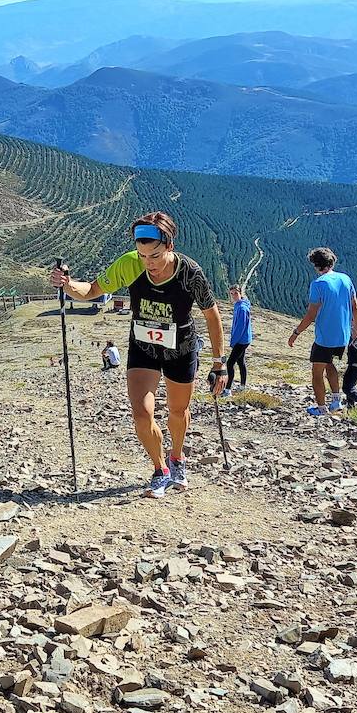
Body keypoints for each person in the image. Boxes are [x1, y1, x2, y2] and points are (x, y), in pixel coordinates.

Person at [52, 211, 227, 499]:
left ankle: (178, 457)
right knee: (141, 414)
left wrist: (219, 363)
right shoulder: (130, 264)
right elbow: (93, 290)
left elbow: (212, 314)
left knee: (177, 412)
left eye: (155, 255)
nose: (149, 263)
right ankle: (160, 469)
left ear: (169, 246)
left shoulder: (190, 273)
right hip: (143, 348)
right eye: (143, 255)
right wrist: (68, 284)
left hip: (180, 348)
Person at [288, 247, 357, 416]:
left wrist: (296, 333)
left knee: (316, 372)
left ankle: (321, 408)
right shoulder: (345, 279)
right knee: (329, 363)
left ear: (316, 265)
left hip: (325, 337)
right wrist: (355, 330)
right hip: (343, 336)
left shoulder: (318, 284)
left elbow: (311, 315)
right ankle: (336, 401)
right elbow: (355, 308)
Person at [223, 285, 252, 397]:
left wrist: (233, 342)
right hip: (244, 339)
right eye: (232, 294)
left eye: (235, 293)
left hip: (241, 341)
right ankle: (242, 386)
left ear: (240, 293)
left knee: (230, 364)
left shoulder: (241, 308)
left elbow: (240, 328)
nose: (234, 296)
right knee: (241, 362)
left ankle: (227, 390)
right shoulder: (240, 305)